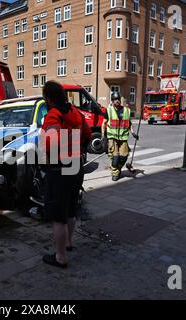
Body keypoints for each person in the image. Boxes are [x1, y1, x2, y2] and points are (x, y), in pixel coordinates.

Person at [39, 80, 92, 268]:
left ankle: (60, 257)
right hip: (76, 166)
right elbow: (87, 134)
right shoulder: (75, 112)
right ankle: (69, 243)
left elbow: (49, 143)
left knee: (57, 215)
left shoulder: (53, 115)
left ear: (49, 99)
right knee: (70, 208)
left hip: (59, 169)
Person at [101, 92, 138, 181]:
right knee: (115, 158)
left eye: (118, 99)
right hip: (112, 138)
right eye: (114, 99)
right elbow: (104, 123)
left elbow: (129, 123)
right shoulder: (108, 110)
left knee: (123, 157)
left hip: (123, 138)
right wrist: (103, 135)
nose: (117, 101)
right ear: (112, 100)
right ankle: (115, 173)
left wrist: (133, 133)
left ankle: (118, 169)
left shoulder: (126, 110)